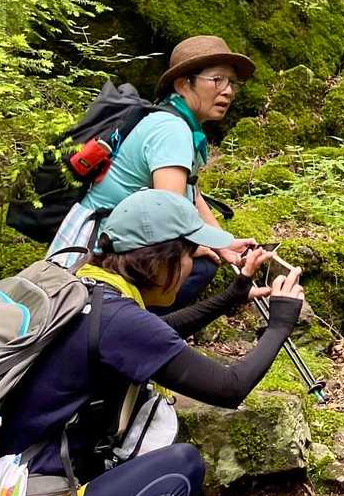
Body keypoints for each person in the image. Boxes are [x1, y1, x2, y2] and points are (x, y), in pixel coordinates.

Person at [3, 189, 305, 496]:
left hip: (3, 477)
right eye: (190, 254)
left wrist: (233, 295)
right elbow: (230, 387)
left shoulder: (85, 288)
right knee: (181, 467)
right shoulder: (119, 320)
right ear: (162, 260)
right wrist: (280, 323)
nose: (193, 266)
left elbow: (156, 336)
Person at [49, 35, 257, 305]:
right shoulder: (171, 130)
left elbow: (192, 192)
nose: (228, 91)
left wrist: (224, 243)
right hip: (97, 250)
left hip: (107, 239)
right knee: (196, 266)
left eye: (232, 82)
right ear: (183, 84)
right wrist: (199, 247)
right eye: (217, 80)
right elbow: (168, 215)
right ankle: (135, 324)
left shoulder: (176, 123)